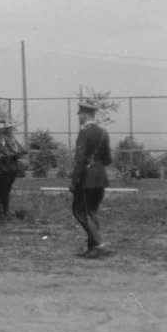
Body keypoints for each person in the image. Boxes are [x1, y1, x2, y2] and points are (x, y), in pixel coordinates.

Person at [71, 99, 112, 257]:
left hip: (87, 178)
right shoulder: (103, 132)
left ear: (85, 114)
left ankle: (98, 243)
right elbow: (108, 159)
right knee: (92, 211)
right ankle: (92, 247)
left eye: (80, 113)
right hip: (100, 177)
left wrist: (74, 181)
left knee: (79, 211)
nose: (79, 116)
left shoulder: (84, 133)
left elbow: (80, 160)